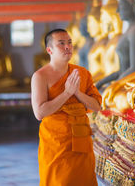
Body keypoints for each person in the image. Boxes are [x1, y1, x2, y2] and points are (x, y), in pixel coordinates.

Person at [31, 28, 102, 186]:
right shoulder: (40, 76)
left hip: (81, 137)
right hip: (56, 142)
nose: (67, 47)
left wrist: (77, 93)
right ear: (50, 50)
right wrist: (66, 93)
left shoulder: (82, 73)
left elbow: (97, 106)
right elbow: (39, 112)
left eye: (69, 42)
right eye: (61, 44)